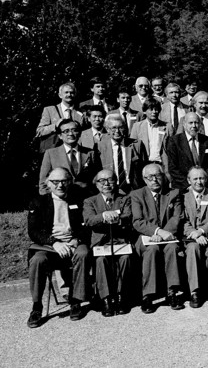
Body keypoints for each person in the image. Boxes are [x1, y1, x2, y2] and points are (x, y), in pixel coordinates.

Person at [27, 168, 89, 328]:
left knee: (83, 253)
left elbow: (86, 225)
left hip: (74, 243)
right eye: (55, 182)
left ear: (70, 182)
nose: (60, 185)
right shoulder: (38, 202)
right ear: (48, 184)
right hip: (50, 246)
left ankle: (76, 301)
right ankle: (36, 307)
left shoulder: (79, 201)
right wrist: (54, 242)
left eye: (64, 181)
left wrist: (77, 239)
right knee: (37, 260)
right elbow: (33, 231)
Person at [131, 163, 185, 313]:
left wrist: (164, 233)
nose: (154, 180)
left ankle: (172, 292)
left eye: (157, 176)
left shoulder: (173, 193)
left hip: (168, 236)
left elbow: (177, 217)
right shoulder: (136, 195)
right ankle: (148, 295)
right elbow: (138, 221)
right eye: (149, 177)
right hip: (147, 237)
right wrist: (157, 232)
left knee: (172, 248)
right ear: (144, 179)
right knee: (152, 249)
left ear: (163, 176)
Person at [83, 169, 132, 317]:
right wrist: (104, 215)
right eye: (101, 181)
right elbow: (89, 220)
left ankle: (121, 297)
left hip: (120, 241)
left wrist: (115, 216)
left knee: (125, 258)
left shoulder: (124, 199)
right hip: (101, 243)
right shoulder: (90, 201)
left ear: (116, 181)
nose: (106, 184)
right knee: (101, 260)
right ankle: (106, 298)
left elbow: (128, 216)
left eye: (110, 180)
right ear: (96, 184)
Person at [182, 167, 208, 308]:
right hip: (192, 237)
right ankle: (195, 291)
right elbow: (183, 221)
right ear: (189, 180)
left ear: (206, 179)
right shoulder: (183, 197)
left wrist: (201, 231)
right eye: (195, 178)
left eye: (201, 178)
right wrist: (195, 234)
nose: (199, 181)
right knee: (192, 249)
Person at [39, 119, 99, 195]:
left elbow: (97, 179)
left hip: (86, 199)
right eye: (66, 131)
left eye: (74, 130)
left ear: (80, 133)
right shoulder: (51, 154)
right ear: (60, 136)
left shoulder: (90, 153)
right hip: (61, 199)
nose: (71, 134)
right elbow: (43, 183)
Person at [166, 112, 208, 190]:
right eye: (191, 123)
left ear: (200, 124)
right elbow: (173, 168)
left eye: (196, 123)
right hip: (183, 187)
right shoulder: (174, 141)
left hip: (204, 186)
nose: (194, 126)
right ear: (184, 124)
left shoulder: (207, 141)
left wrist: (202, 182)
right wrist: (188, 185)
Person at [98, 114, 148, 194]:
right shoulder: (100, 147)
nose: (117, 131)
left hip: (133, 189)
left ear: (125, 128)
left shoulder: (136, 144)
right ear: (107, 129)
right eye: (113, 128)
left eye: (120, 127)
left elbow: (144, 166)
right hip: (111, 189)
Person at [36, 82, 85, 152]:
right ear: (60, 95)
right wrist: (55, 126)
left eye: (72, 93)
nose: (69, 95)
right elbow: (39, 132)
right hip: (55, 150)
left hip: (75, 151)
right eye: (66, 92)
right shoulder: (50, 110)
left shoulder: (81, 113)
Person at [129, 98, 168, 165]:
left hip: (161, 164)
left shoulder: (167, 126)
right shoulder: (137, 126)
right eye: (151, 109)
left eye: (156, 109)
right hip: (143, 164)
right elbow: (133, 148)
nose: (154, 112)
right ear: (144, 111)